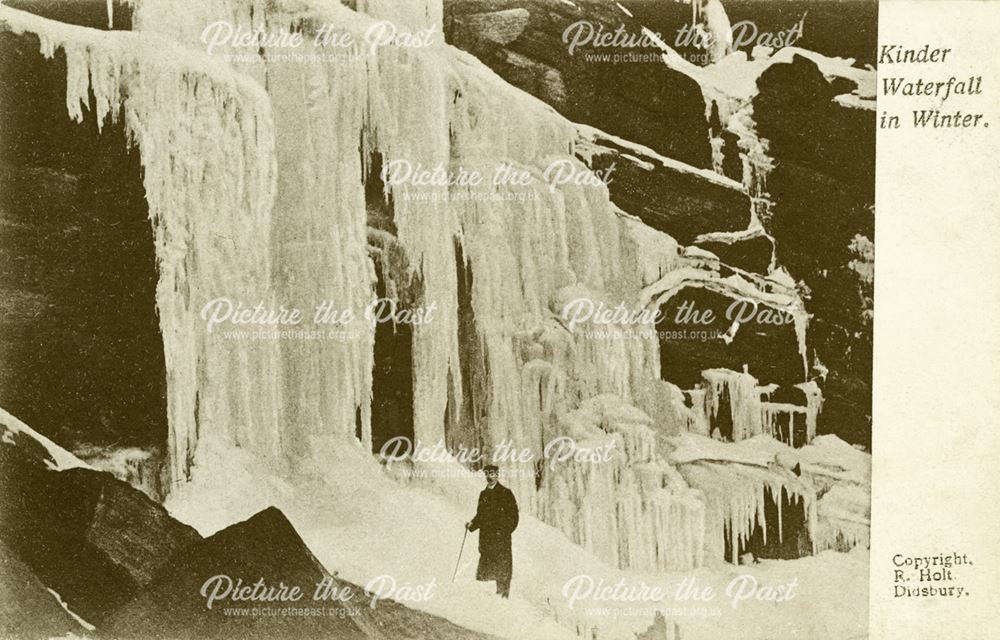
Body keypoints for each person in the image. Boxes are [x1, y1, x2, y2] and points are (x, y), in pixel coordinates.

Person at [466, 464, 519, 598]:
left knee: (502, 570)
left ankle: (503, 598)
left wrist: (504, 531)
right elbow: (480, 515)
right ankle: (488, 602)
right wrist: (472, 524)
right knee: (487, 571)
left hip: (501, 540)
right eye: (487, 474)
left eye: (492, 473)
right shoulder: (483, 494)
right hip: (487, 539)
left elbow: (514, 516)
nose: (490, 476)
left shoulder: (506, 493)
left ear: (497, 475)